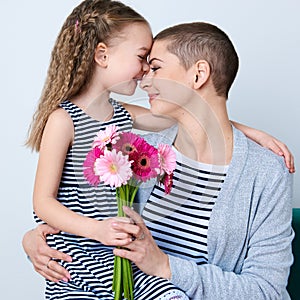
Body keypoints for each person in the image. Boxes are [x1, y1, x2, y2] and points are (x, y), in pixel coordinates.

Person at [23, 3, 295, 300]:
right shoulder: (137, 152)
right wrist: (33, 240)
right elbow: (70, 209)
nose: (144, 77)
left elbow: (266, 292)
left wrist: (164, 266)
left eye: (154, 67)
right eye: (142, 61)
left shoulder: (265, 173)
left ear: (198, 74)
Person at [26, 0, 188, 299]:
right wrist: (97, 230)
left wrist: (250, 132)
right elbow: (42, 202)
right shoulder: (64, 120)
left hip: (123, 257)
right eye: (141, 57)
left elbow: (188, 117)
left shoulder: (123, 114)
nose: (145, 70)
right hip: (76, 264)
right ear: (102, 55)